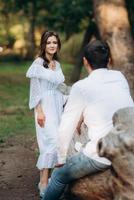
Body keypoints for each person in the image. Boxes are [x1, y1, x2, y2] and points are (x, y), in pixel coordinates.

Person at [42, 40, 134, 200]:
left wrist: (61, 158)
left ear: (85, 61)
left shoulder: (81, 87)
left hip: (103, 154)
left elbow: (66, 126)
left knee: (58, 176)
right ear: (109, 60)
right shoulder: (120, 77)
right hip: (129, 145)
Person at [26, 31, 65, 197]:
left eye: (54, 42)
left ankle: (52, 181)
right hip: (45, 109)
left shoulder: (57, 64)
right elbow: (35, 91)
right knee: (49, 142)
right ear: (44, 44)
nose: (52, 45)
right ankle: (43, 182)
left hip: (57, 107)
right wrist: (39, 112)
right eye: (49, 42)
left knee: (59, 142)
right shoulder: (38, 63)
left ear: (58, 45)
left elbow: (59, 88)